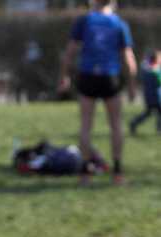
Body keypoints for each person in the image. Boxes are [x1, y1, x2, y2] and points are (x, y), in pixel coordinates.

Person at [58, 0, 137, 185]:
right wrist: (132, 84)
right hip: (110, 77)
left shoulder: (84, 21)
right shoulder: (119, 24)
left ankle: (85, 173)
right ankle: (117, 173)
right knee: (116, 125)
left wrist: (64, 76)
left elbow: (69, 52)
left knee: (86, 125)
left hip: (88, 75)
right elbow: (128, 57)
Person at [129, 51, 161, 135]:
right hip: (156, 97)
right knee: (154, 112)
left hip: (148, 96)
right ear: (156, 59)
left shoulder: (146, 69)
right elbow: (159, 82)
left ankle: (134, 123)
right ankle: (159, 129)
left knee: (149, 113)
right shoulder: (156, 71)